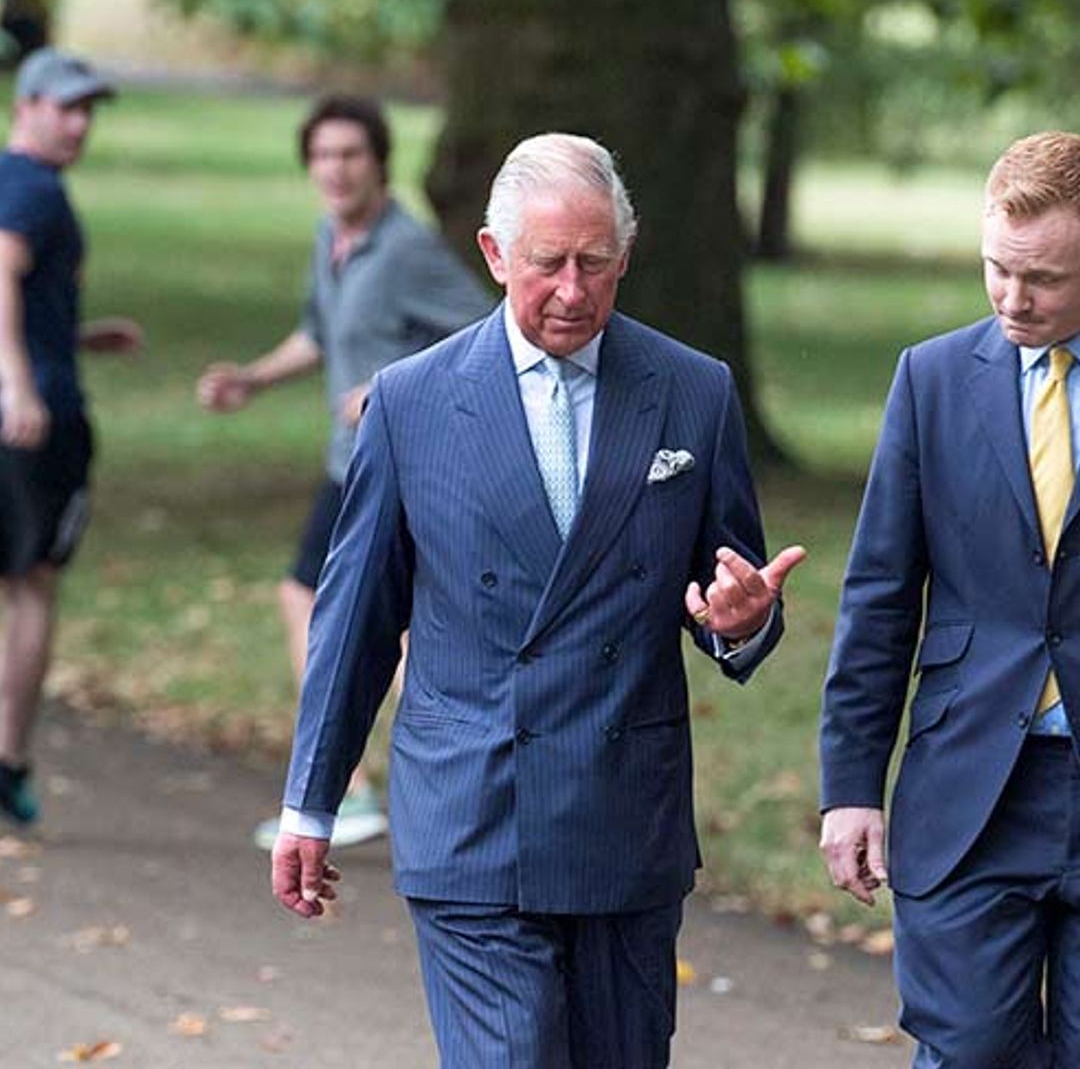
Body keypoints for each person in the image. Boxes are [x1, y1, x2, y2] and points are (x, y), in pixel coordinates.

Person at [270, 132, 806, 1067]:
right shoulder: (412, 402)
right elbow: (354, 623)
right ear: (492, 255)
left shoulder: (693, 391)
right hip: (474, 817)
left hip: (622, 820)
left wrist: (742, 624)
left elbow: (732, 588)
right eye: (547, 263)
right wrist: (311, 805)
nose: (572, 290)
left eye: (595, 263)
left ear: (624, 256)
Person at [820, 130, 1080, 1065]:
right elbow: (880, 596)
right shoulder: (929, 382)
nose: (1013, 298)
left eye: (1043, 278)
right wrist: (850, 787)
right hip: (970, 791)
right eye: (995, 270)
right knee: (968, 1052)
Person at [196, 94, 490, 851]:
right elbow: (317, 334)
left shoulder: (405, 248)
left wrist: (394, 385)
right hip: (349, 466)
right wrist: (252, 381)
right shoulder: (336, 238)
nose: (335, 169)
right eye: (322, 155)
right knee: (350, 615)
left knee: (332, 609)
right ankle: (439, 769)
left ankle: (394, 778)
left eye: (350, 154)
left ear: (380, 162)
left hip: (401, 465)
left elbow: (489, 332)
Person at [0, 49, 142, 827]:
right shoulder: (35, 188)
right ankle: (9, 760)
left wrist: (77, 336)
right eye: (66, 107)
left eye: (89, 109)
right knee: (30, 588)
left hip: (32, 388)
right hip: (35, 422)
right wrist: (19, 386)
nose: (80, 123)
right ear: (27, 105)